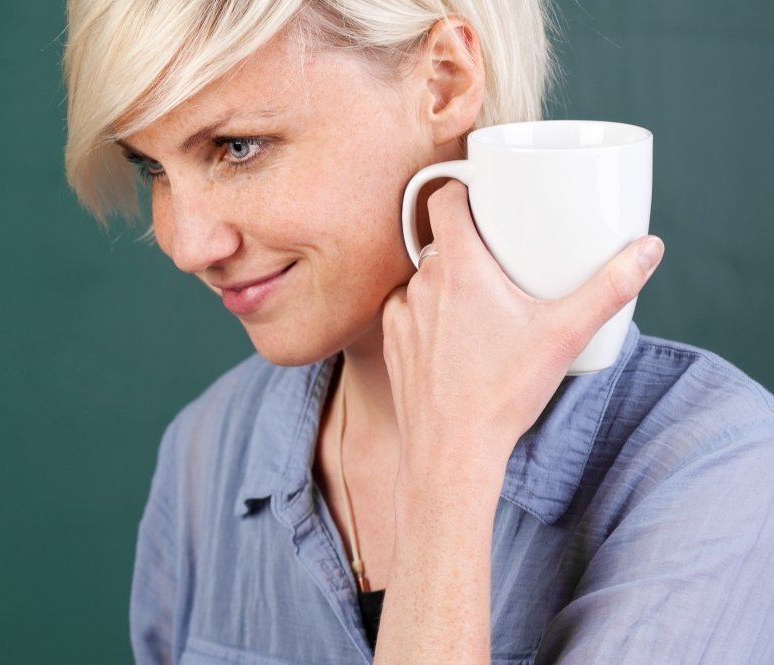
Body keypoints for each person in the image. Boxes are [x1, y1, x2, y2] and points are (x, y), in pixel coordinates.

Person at [61, 0, 774, 662]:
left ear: (444, 82)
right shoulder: (205, 453)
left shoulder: (718, 468)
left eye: (238, 146)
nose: (187, 244)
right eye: (151, 165)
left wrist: (450, 471)